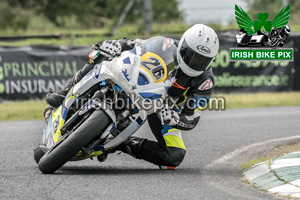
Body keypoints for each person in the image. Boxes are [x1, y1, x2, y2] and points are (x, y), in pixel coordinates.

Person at [45, 24, 219, 169]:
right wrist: (117, 45)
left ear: (210, 61)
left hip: (163, 109)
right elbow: (136, 44)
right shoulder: (166, 44)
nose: (193, 62)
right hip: (141, 83)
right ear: (183, 46)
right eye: (191, 55)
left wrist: (176, 118)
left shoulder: (205, 81)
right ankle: (65, 91)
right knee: (101, 54)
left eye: (200, 60)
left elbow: (193, 116)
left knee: (175, 155)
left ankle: (121, 143)